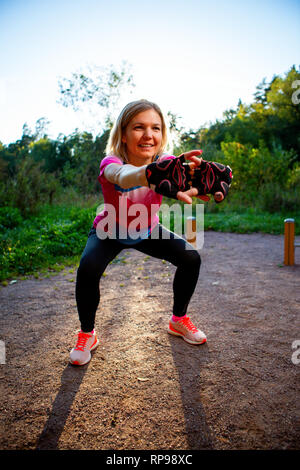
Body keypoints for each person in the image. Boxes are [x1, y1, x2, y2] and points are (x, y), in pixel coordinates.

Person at [70, 99, 227, 366]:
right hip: (110, 229)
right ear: (123, 133)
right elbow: (122, 176)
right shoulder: (111, 162)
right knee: (88, 268)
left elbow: (183, 176)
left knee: (191, 258)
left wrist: (196, 181)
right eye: (138, 127)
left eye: (155, 128)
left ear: (162, 134)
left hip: (147, 228)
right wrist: (156, 173)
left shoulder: (166, 162)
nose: (148, 135)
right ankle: (87, 334)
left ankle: (178, 320)